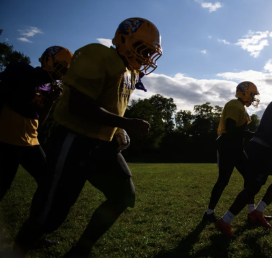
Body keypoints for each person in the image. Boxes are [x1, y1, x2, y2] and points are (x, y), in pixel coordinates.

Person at [12, 17, 162, 258]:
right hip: (74, 139)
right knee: (50, 214)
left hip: (102, 144)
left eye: (150, 52)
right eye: (143, 49)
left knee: (123, 195)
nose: (146, 57)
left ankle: (81, 250)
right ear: (124, 39)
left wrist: (118, 129)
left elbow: (112, 105)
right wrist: (124, 123)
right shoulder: (97, 55)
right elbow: (78, 105)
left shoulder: (129, 71)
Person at [215, 78, 272, 236]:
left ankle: (258, 212)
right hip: (262, 148)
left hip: (266, 147)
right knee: (253, 186)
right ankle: (225, 220)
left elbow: (271, 129)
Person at [0, 46, 72, 202]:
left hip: (30, 140)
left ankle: (37, 219)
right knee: (3, 185)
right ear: (49, 62)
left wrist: (50, 102)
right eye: (61, 68)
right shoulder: (23, 72)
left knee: (47, 181)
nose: (63, 73)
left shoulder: (48, 87)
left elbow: (38, 120)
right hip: (8, 137)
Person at [203, 82, 271, 223]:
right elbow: (231, 129)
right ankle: (209, 213)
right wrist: (252, 134)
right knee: (223, 180)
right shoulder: (235, 105)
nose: (253, 98)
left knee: (250, 178)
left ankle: (251, 212)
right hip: (228, 147)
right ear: (245, 93)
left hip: (236, 148)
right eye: (252, 94)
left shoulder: (239, 106)